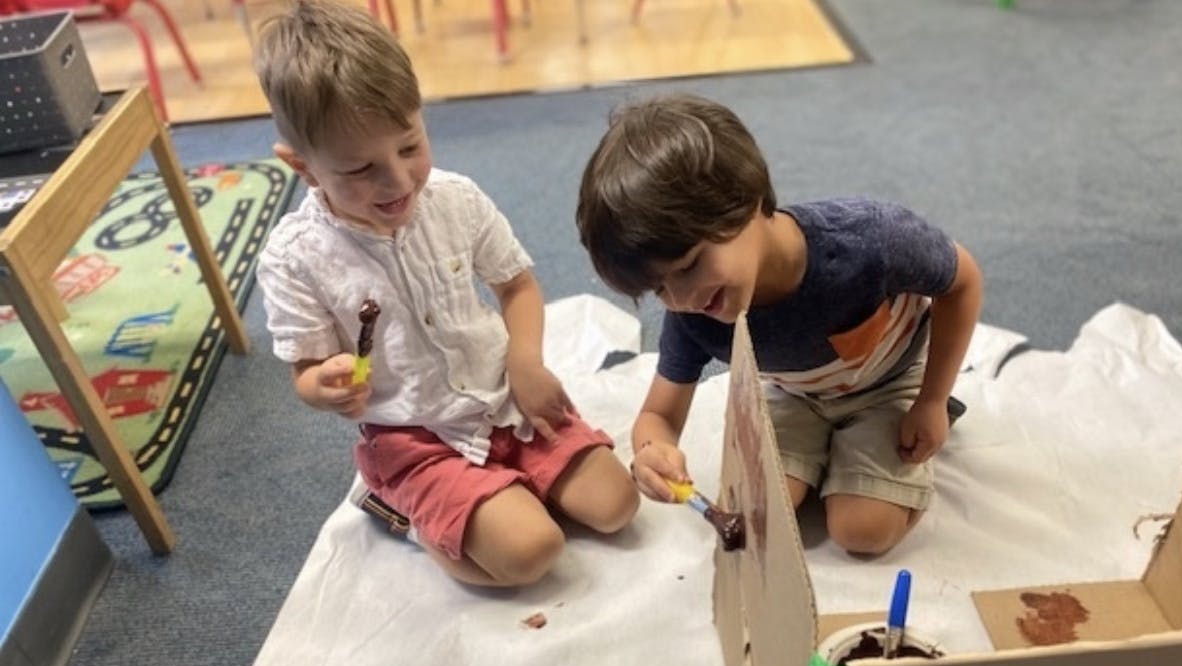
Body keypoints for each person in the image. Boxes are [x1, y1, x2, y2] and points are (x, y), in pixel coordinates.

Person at [252, 0, 638, 587]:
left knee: (617, 506)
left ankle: (501, 496)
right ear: (302, 167)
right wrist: (324, 385)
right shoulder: (293, 257)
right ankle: (399, 506)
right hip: (416, 436)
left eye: (409, 147)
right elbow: (305, 371)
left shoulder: (455, 199)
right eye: (360, 170)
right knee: (531, 554)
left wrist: (526, 361)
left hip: (506, 401)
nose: (398, 181)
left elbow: (517, 285)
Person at [577, 93, 983, 557]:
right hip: (794, 394)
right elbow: (659, 415)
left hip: (891, 381)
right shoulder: (692, 314)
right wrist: (651, 449)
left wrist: (931, 400)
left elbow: (963, 281)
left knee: (862, 531)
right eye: (659, 289)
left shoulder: (871, 242)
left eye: (689, 266)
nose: (683, 299)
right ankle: (833, 455)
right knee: (757, 516)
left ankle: (870, 452)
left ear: (745, 199)